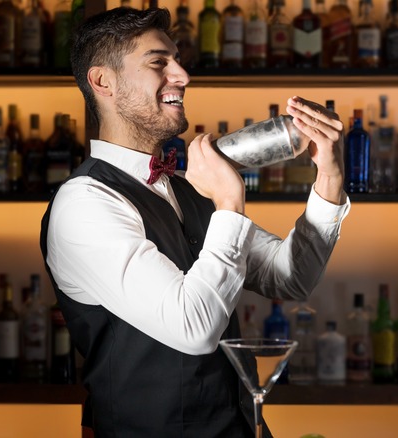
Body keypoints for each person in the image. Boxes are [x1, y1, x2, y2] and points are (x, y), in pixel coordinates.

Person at [40, 6, 350, 438]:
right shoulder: (85, 202)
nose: (182, 75)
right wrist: (228, 199)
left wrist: (329, 178)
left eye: (178, 60)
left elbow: (290, 278)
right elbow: (194, 327)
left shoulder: (185, 186)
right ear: (102, 82)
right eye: (158, 63)